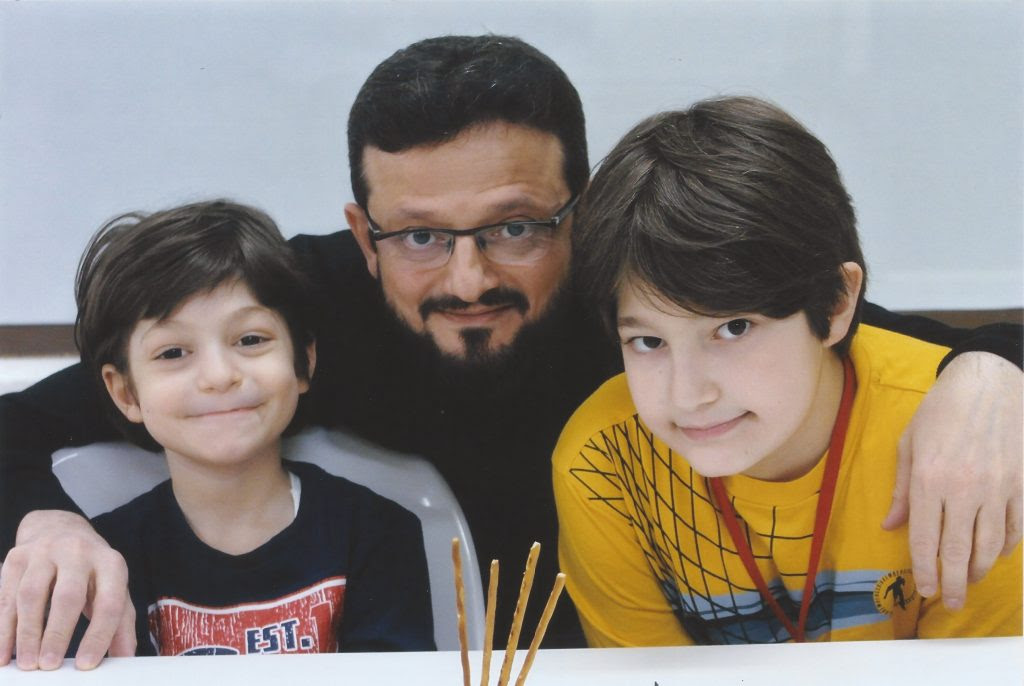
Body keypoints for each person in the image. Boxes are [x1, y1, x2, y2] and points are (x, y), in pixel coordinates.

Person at [0, 35, 1021, 669]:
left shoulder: (647, 295)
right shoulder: (289, 317)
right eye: (420, 236)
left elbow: (852, 332)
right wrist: (37, 518)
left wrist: (990, 371)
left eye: (516, 225)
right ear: (362, 236)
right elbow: (28, 419)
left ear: (578, 214)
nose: (466, 275)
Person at [553, 97, 1022, 646]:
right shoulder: (603, 460)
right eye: (649, 341)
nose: (688, 394)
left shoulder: (972, 439)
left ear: (839, 302)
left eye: (733, 329)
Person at [69, 200, 434, 655]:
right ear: (124, 392)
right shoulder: (103, 559)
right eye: (173, 353)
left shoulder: (378, 532)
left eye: (250, 340)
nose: (220, 375)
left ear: (304, 362)